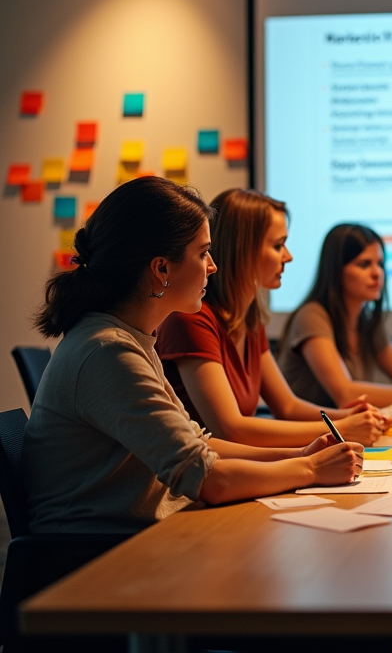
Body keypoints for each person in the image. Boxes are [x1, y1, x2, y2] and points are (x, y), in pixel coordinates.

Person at [23, 178, 364, 535]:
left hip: (136, 535)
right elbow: (207, 478)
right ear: (161, 270)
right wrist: (311, 470)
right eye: (202, 253)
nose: (212, 266)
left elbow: (199, 443)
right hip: (94, 556)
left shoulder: (132, 339)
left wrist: (299, 456)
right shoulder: (108, 350)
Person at [157, 189, 389, 448]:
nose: (287, 256)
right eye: (278, 245)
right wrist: (343, 428)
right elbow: (230, 429)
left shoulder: (249, 320)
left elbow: (287, 406)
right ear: (244, 249)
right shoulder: (192, 319)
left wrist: (349, 417)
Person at [278, 223, 392, 408]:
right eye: (364, 264)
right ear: (336, 271)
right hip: (311, 438)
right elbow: (346, 394)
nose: (377, 273)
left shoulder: (365, 320)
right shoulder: (311, 316)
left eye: (380, 264)